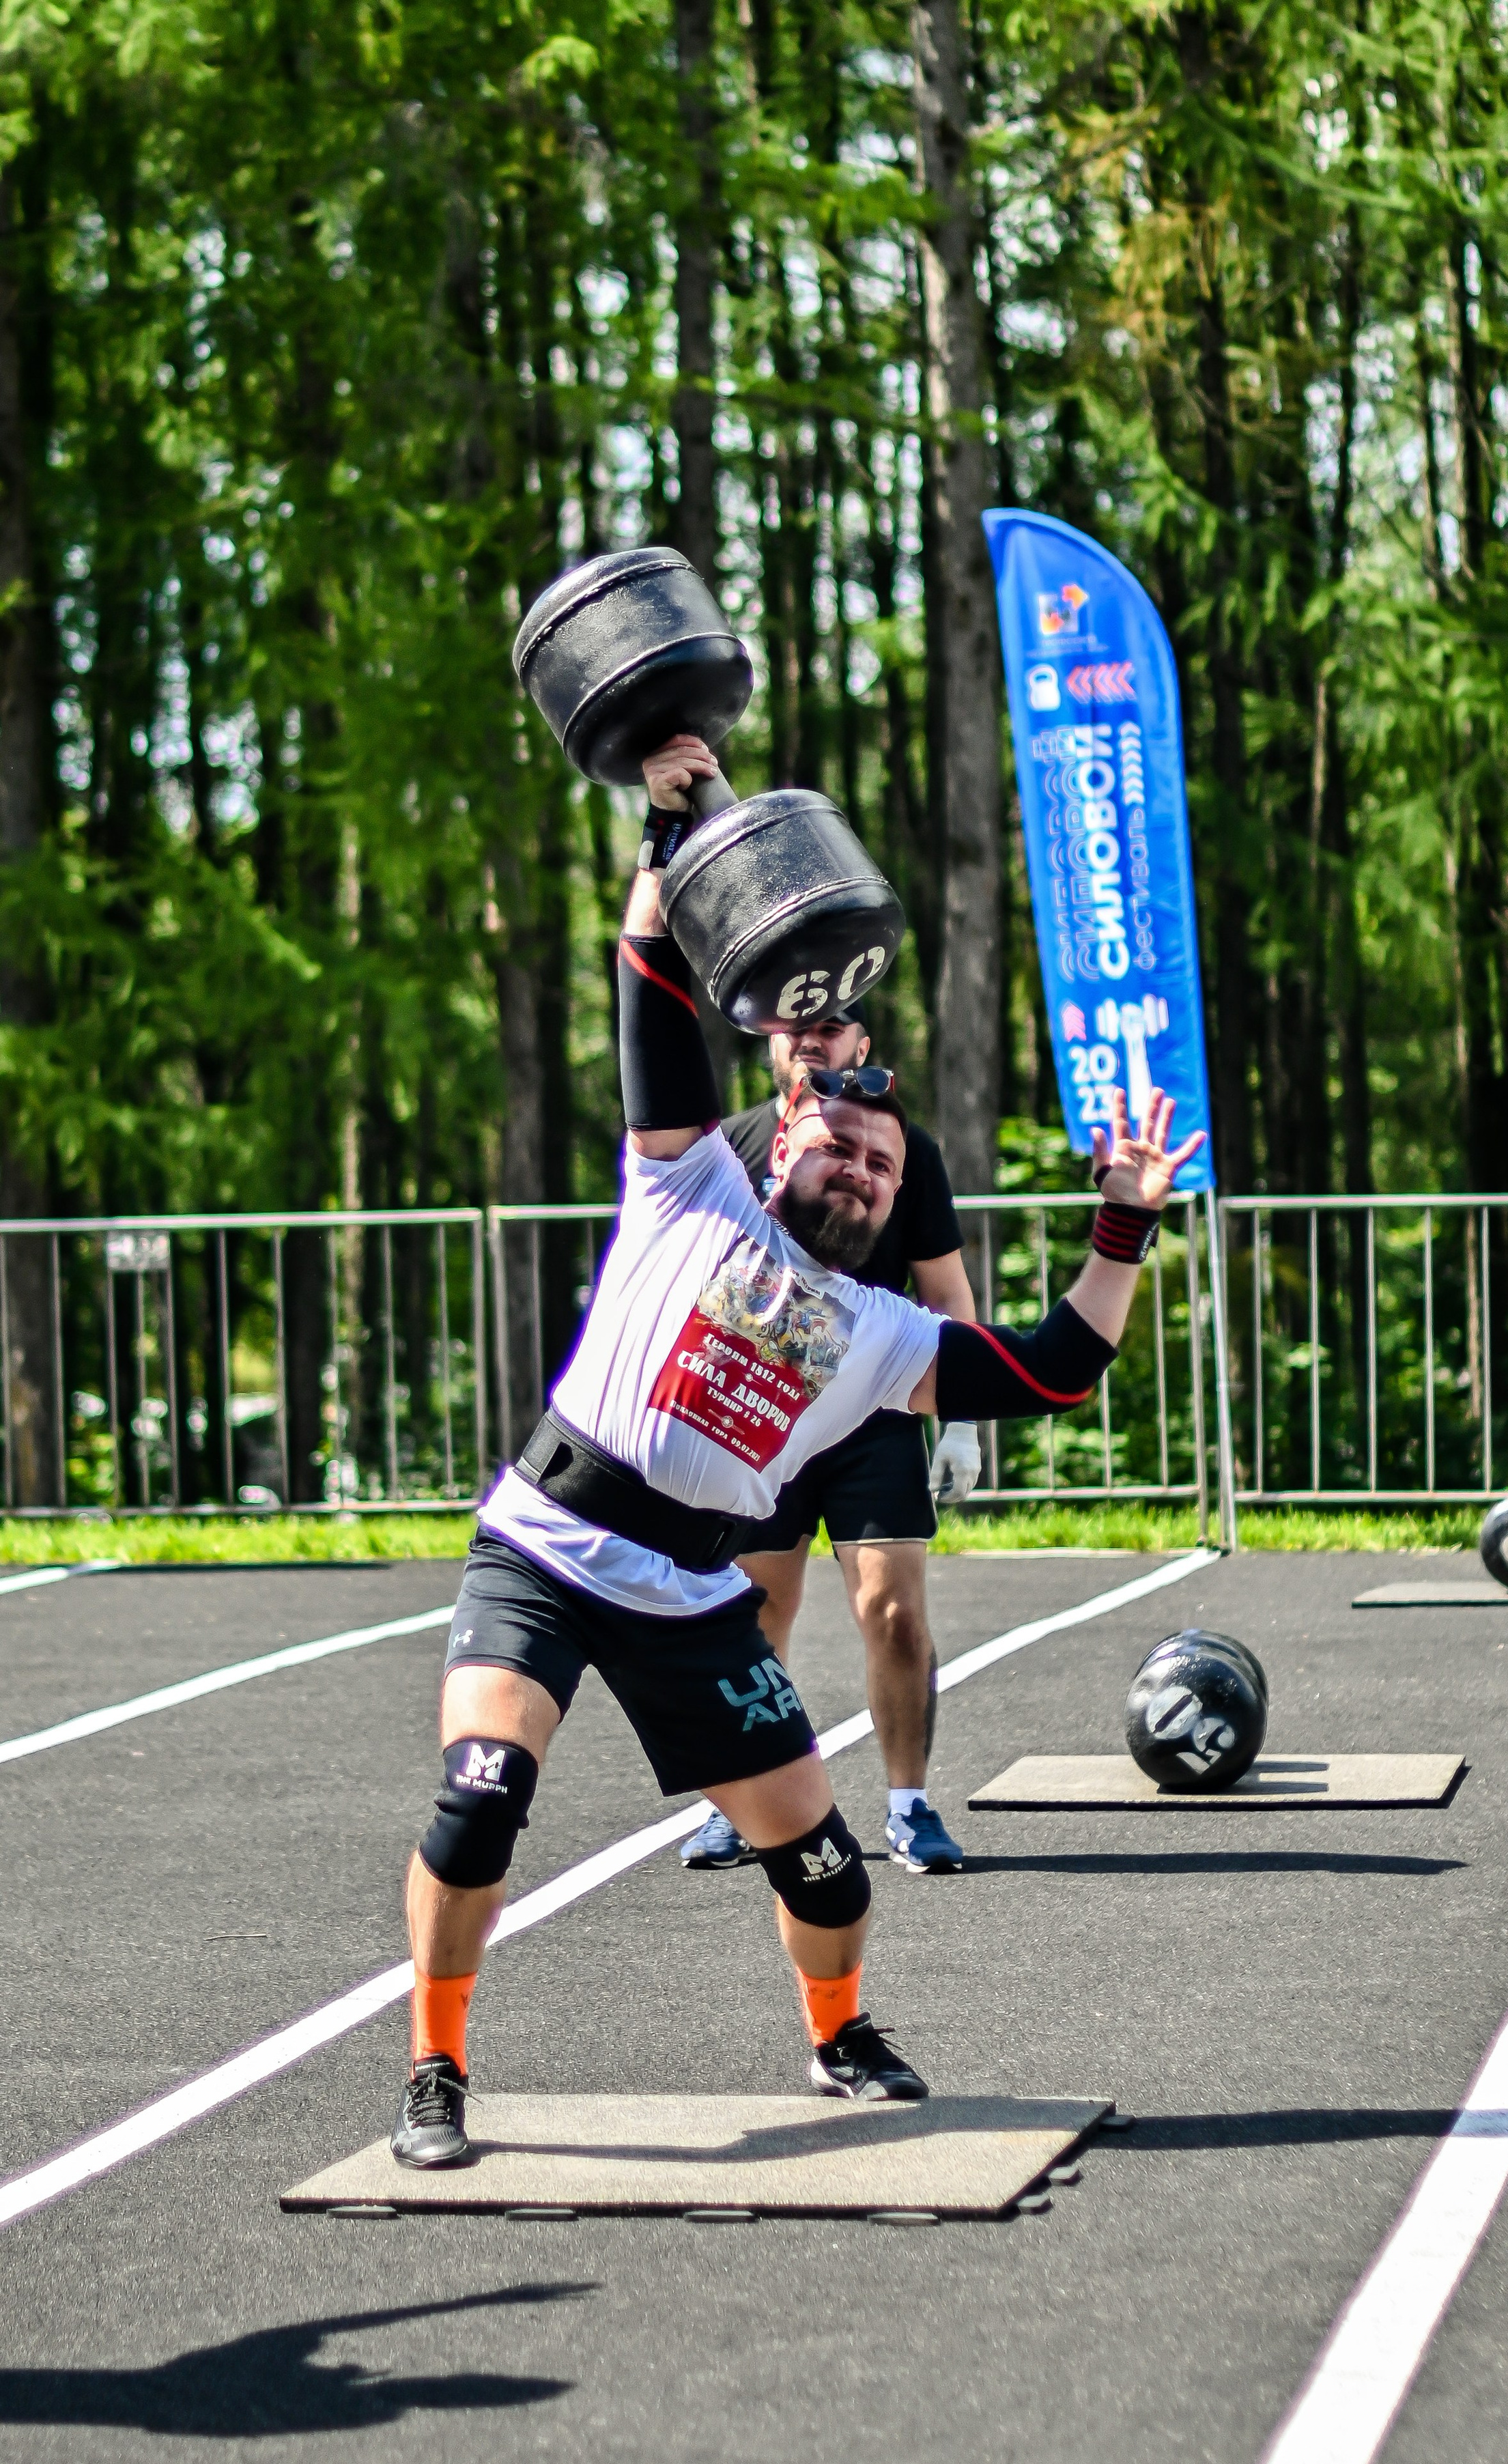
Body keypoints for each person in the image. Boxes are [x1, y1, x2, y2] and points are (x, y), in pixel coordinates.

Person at [389, 728, 1204, 2168]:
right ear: (780, 1149)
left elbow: (1058, 1368)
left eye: (884, 1167)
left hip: (694, 1597)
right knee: (481, 1795)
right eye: (841, 1148)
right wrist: (671, 831)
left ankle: (837, 2036)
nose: (863, 1168)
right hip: (545, 1548)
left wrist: (1123, 1222)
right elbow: (648, 985)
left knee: (826, 1876)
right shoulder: (684, 1183)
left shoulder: (878, 1335)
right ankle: (436, 2070)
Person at [677, 1010, 980, 1877]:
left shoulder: (901, 1148)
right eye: (792, 1021)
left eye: (832, 1023)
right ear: (768, 1040)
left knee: (892, 1609)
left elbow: (947, 1287)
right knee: (752, 1616)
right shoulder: (727, 1144)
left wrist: (960, 1421)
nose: (810, 1035)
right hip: (762, 1408)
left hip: (873, 1409)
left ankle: (909, 1806)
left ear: (863, 1048)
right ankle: (740, 1807)